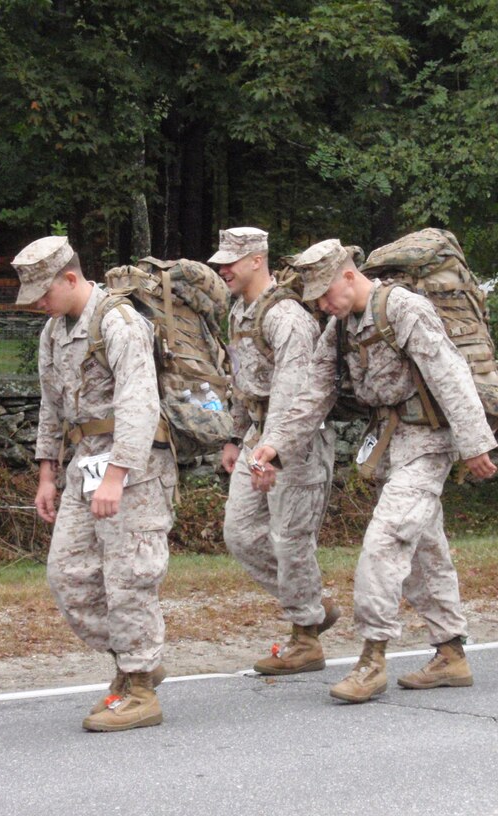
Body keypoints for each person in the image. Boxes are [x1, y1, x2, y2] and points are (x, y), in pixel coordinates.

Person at [250, 238, 498, 703]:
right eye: (315, 298)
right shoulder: (339, 328)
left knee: (384, 542)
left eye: (326, 292)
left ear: (349, 275)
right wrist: (274, 446)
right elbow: (314, 393)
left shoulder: (404, 309)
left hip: (427, 444)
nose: (322, 304)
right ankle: (451, 653)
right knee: (424, 548)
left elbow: (450, 374)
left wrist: (475, 444)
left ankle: (372, 656)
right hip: (388, 445)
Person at [17, 235, 172, 731]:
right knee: (68, 576)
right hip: (83, 462)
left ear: (70, 278)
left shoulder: (120, 323)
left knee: (128, 577)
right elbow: (50, 405)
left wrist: (118, 474)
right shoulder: (52, 332)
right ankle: (138, 659)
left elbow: (140, 404)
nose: (39, 304)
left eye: (44, 293)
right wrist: (46, 473)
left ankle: (140, 686)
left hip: (135, 467)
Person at [210, 227, 340, 675]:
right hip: (258, 436)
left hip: (295, 442)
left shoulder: (287, 316)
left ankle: (306, 638)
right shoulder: (240, 311)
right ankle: (312, 604)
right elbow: (243, 382)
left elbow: (292, 392)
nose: (223, 268)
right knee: (241, 533)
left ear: (256, 261)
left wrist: (273, 452)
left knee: (291, 541)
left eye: (231, 260)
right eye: (221, 260)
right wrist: (236, 436)